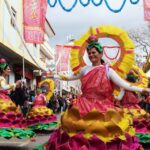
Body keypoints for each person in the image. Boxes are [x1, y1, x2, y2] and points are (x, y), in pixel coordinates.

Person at [46, 36, 150, 149]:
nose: (91, 55)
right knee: (78, 129)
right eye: (89, 53)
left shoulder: (108, 70)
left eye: (94, 52)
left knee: (104, 131)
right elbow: (69, 77)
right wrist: (53, 75)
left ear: (100, 54)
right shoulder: (85, 69)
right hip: (83, 105)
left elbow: (124, 84)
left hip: (103, 107)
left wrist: (142, 89)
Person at [0, 58, 34, 140]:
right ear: (3, 70)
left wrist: (15, 86)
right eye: (8, 69)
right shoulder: (1, 78)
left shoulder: (2, 78)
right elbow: (4, 87)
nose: (9, 70)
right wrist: (15, 84)